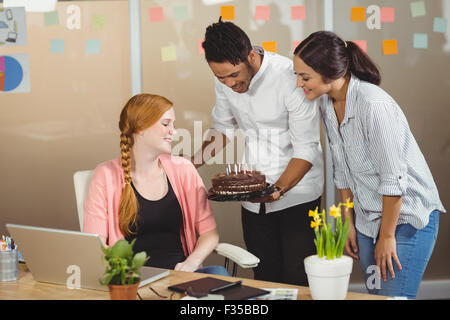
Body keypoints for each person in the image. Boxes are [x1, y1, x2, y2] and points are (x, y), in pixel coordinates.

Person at [293, 31, 446, 298]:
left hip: (406, 217)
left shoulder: (373, 104)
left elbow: (393, 179)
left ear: (329, 72)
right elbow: (341, 171)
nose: (298, 83)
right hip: (366, 218)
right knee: (374, 296)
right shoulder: (328, 105)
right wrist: (348, 222)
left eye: (305, 77)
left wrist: (387, 237)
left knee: (391, 297)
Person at [193, 18, 324, 286]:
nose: (230, 84)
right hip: (252, 198)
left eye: (234, 75)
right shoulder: (224, 82)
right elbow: (223, 129)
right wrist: (191, 162)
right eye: (220, 77)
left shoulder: (290, 77)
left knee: (298, 280)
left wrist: (277, 190)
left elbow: (307, 148)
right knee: (264, 277)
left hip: (297, 196)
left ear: (250, 56)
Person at [83, 93, 229, 276]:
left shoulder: (184, 170)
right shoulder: (105, 175)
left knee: (220, 274)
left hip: (180, 278)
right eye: (166, 124)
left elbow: (209, 233)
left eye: (173, 125)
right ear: (140, 128)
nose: (174, 132)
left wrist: (191, 263)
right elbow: (94, 243)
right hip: (132, 282)